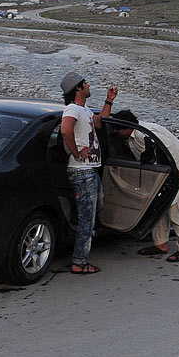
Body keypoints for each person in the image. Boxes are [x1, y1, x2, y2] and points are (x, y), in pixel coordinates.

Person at [111, 109, 179, 262]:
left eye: (118, 129)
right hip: (162, 172)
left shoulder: (142, 133)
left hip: (176, 169)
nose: (116, 132)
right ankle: (161, 244)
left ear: (127, 128)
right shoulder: (134, 134)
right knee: (159, 209)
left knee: (178, 208)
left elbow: (169, 147)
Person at [59, 71, 118, 275]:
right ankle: (79, 262)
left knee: (95, 208)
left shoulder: (83, 110)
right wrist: (76, 152)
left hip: (90, 171)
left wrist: (109, 100)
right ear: (78, 88)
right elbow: (65, 130)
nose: (88, 85)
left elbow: (100, 122)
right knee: (87, 217)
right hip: (82, 171)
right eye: (85, 83)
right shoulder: (72, 109)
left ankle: (78, 241)